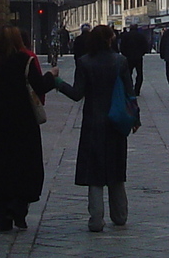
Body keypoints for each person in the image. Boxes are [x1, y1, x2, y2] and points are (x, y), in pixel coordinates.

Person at [50, 24, 131, 232]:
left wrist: (57, 82)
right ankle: (120, 215)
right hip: (115, 121)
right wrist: (134, 118)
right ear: (109, 40)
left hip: (93, 122)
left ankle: (96, 219)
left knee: (95, 171)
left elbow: (77, 94)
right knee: (116, 169)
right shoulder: (120, 61)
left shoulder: (84, 62)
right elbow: (130, 93)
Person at [0, 27, 50, 231]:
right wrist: (52, 76)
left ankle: (0, 216)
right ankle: (19, 209)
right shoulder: (25, 62)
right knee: (24, 167)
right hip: (24, 125)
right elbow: (39, 87)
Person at [117, 24, 149, 94]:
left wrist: (124, 54)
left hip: (128, 57)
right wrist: (142, 53)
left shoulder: (126, 36)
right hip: (138, 57)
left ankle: (130, 88)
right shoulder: (140, 36)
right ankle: (137, 89)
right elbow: (145, 46)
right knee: (139, 73)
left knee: (128, 73)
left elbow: (122, 46)